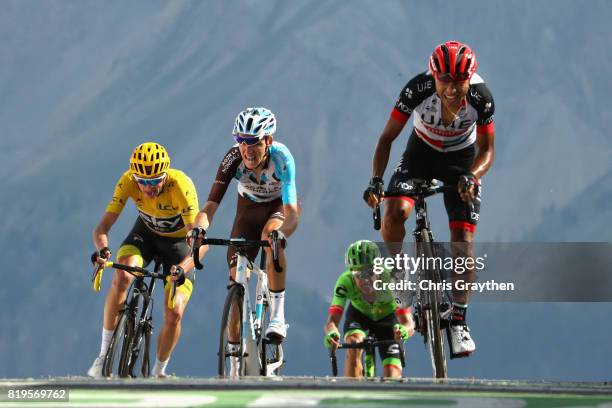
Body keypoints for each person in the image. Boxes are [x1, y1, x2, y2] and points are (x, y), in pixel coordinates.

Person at [363, 41, 495, 357]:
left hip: (462, 160)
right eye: (444, 79)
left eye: (459, 80)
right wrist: (377, 182)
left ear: (470, 77)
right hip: (421, 153)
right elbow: (387, 138)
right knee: (396, 211)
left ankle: (460, 321)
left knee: (463, 240)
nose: (451, 88)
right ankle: (399, 274)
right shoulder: (417, 89)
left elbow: (487, 151)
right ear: (434, 75)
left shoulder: (482, 98)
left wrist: (473, 176)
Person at [88, 142, 202, 378]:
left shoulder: (180, 185)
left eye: (155, 181)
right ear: (134, 177)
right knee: (122, 276)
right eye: (143, 181)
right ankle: (102, 357)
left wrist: (183, 268)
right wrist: (103, 250)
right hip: (145, 236)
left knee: (174, 313)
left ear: (165, 174)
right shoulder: (128, 181)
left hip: (180, 246)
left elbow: (200, 245)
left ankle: (159, 371)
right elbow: (101, 228)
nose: (148, 188)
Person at [191, 107, 299, 347]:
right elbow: (209, 207)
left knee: (270, 238)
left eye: (254, 142)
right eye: (241, 141)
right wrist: (199, 230)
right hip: (247, 210)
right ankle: (233, 357)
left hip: (277, 208)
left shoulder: (282, 158)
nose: (247, 149)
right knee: (236, 279)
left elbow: (292, 213)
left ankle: (278, 317)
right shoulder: (232, 158)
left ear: (268, 140)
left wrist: (281, 234)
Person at [324, 240, 414, 378]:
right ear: (351, 274)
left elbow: (408, 323)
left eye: (370, 272)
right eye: (358, 275)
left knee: (392, 373)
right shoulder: (345, 281)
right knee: (353, 344)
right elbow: (332, 322)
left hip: (388, 319)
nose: (365, 279)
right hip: (359, 316)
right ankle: (352, 394)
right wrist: (332, 334)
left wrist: (403, 332)